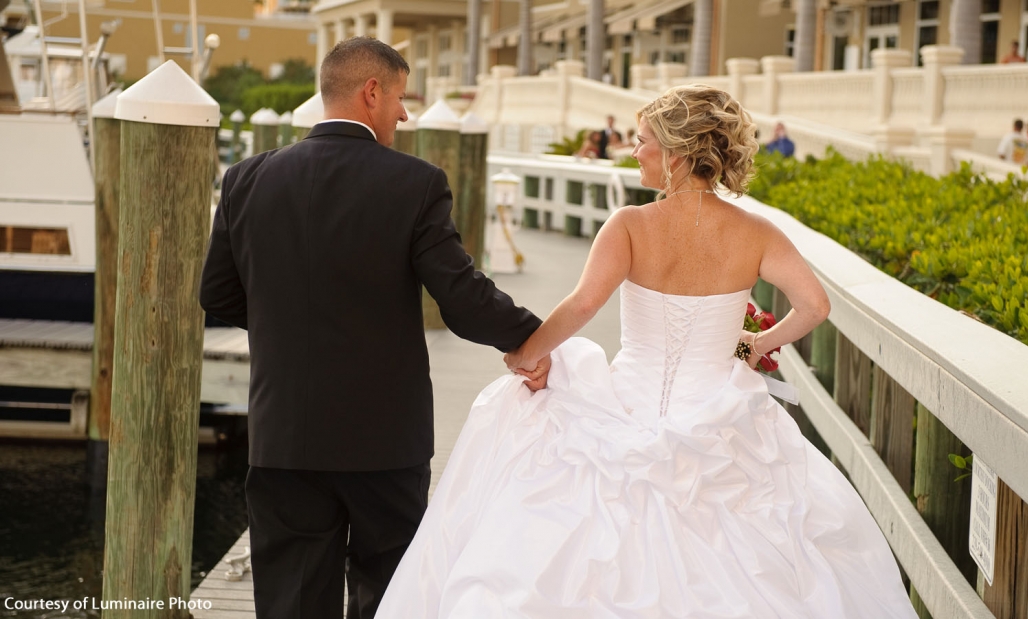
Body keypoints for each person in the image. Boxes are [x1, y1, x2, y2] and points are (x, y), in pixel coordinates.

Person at [375, 85, 919, 618]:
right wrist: (755, 346)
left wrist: (527, 353)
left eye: (642, 141)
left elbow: (584, 304)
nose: (633, 152)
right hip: (721, 413)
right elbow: (815, 306)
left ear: (677, 153)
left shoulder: (631, 225)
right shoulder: (756, 232)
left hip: (627, 404)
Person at [199, 37, 547, 619]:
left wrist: (286, 319)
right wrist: (534, 340)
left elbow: (217, 295)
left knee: (289, 602)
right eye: (401, 98)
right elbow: (460, 297)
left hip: (284, 432)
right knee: (389, 597)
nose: (405, 113)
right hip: (384, 440)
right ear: (371, 92)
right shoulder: (415, 183)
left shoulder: (245, 179)